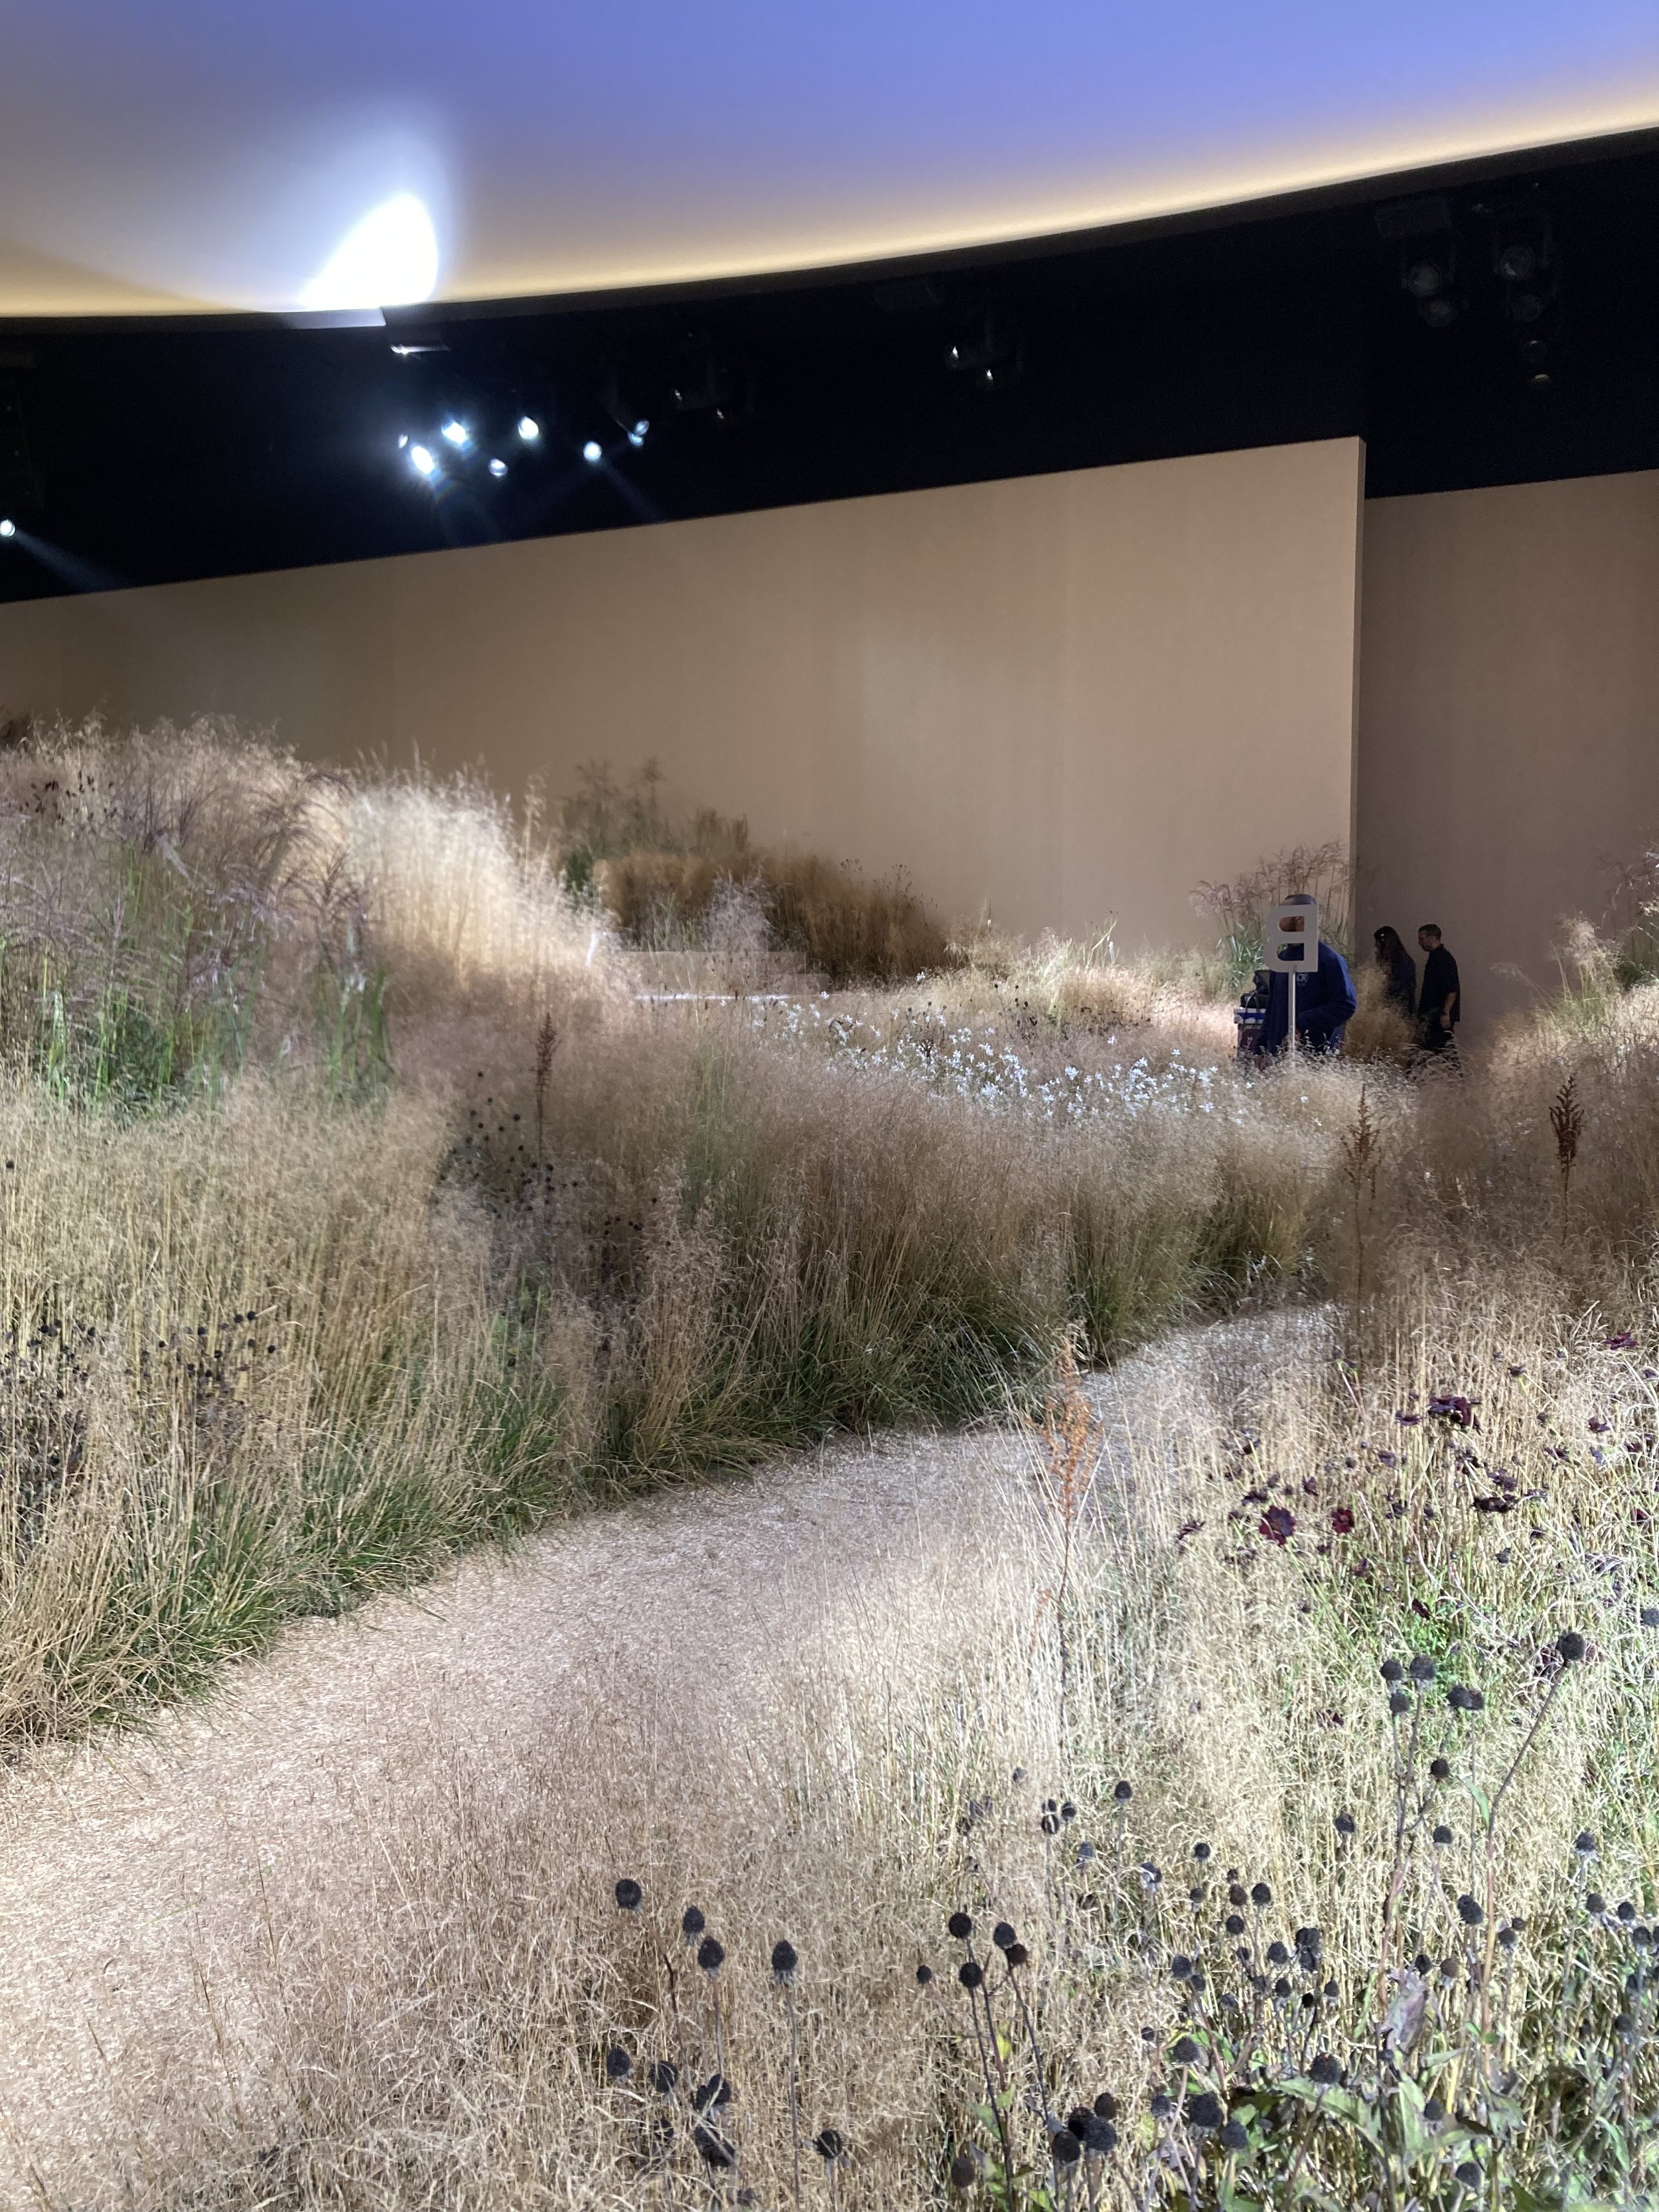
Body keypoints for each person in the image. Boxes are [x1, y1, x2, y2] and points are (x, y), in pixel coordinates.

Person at [1260, 894, 1357, 1055]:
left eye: (1284, 912)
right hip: (1278, 1055)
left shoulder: (1328, 960)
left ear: (1300, 918)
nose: (1278, 918)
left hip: (1314, 1055)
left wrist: (1302, 1022)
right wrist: (1261, 1047)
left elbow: (1346, 1005)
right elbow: (1273, 1007)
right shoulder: (1281, 959)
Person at [1416, 924, 1461, 1054]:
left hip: (1438, 1015)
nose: (1419, 943)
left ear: (1432, 938)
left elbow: (1452, 989)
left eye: (1422, 939)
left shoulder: (1444, 959)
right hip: (1433, 1014)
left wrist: (1445, 1013)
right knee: (1437, 1052)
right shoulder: (1435, 957)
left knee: (1444, 1052)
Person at [1373, 925, 1417, 1021]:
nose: (1376, 947)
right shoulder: (1393, 960)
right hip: (1392, 1008)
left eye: (1377, 943)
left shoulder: (1402, 961)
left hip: (1400, 1010)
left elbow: (1402, 986)